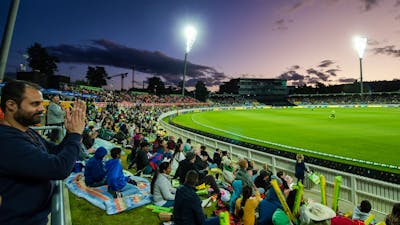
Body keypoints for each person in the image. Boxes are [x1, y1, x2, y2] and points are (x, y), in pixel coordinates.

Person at [0, 80, 86, 225]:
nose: (42, 109)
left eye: (41, 103)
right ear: (11, 105)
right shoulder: (5, 141)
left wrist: (71, 133)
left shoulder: (25, 130)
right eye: (35, 104)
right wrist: (76, 135)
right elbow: (59, 168)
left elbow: (56, 151)